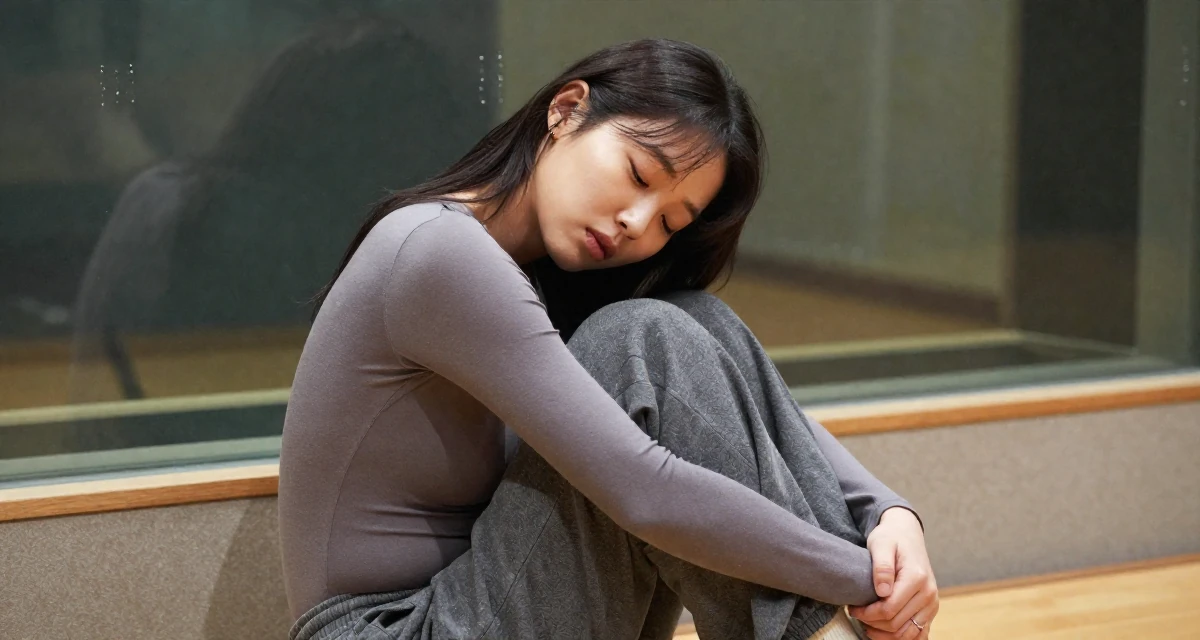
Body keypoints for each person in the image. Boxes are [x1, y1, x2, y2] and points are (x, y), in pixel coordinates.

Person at [278, 38, 939, 640]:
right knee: (641, 338)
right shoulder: (437, 252)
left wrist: (886, 514)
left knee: (692, 320)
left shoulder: (538, 278)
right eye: (639, 174)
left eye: (670, 221)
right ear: (567, 110)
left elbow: (762, 414)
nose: (636, 223)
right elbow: (646, 491)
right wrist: (864, 577)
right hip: (390, 631)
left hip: (475, 605)